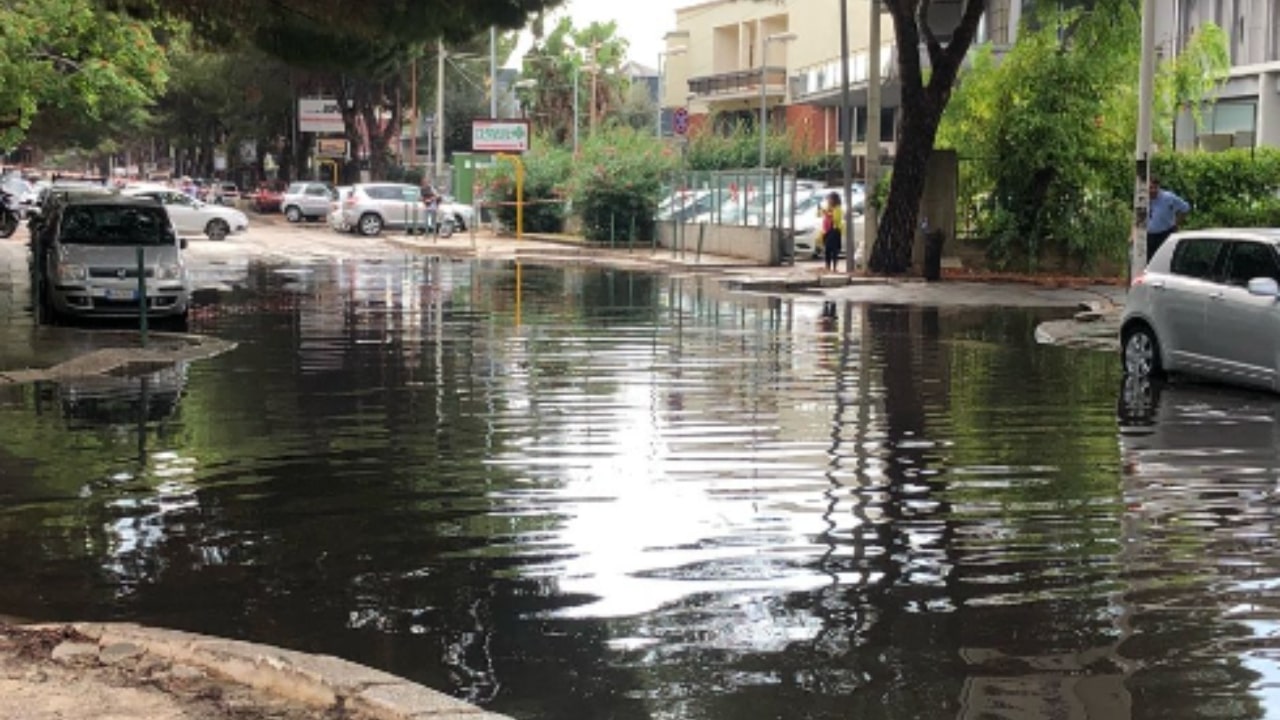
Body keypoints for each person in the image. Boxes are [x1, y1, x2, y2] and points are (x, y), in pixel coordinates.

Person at [1146, 176, 1190, 262]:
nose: (1152, 191)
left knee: (1164, 260)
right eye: (1150, 188)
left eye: (1155, 188)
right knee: (1149, 261)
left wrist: (1176, 223)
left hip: (1165, 234)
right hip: (1149, 235)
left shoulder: (1168, 197)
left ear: (1159, 187)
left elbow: (1185, 208)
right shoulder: (1143, 198)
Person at [821, 191, 843, 272]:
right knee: (827, 249)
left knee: (834, 250)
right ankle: (827, 266)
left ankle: (834, 266)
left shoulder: (838, 209)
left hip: (834, 230)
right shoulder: (828, 208)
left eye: (830, 199)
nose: (829, 201)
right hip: (827, 230)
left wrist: (829, 214)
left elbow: (836, 219)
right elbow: (820, 214)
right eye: (828, 199)